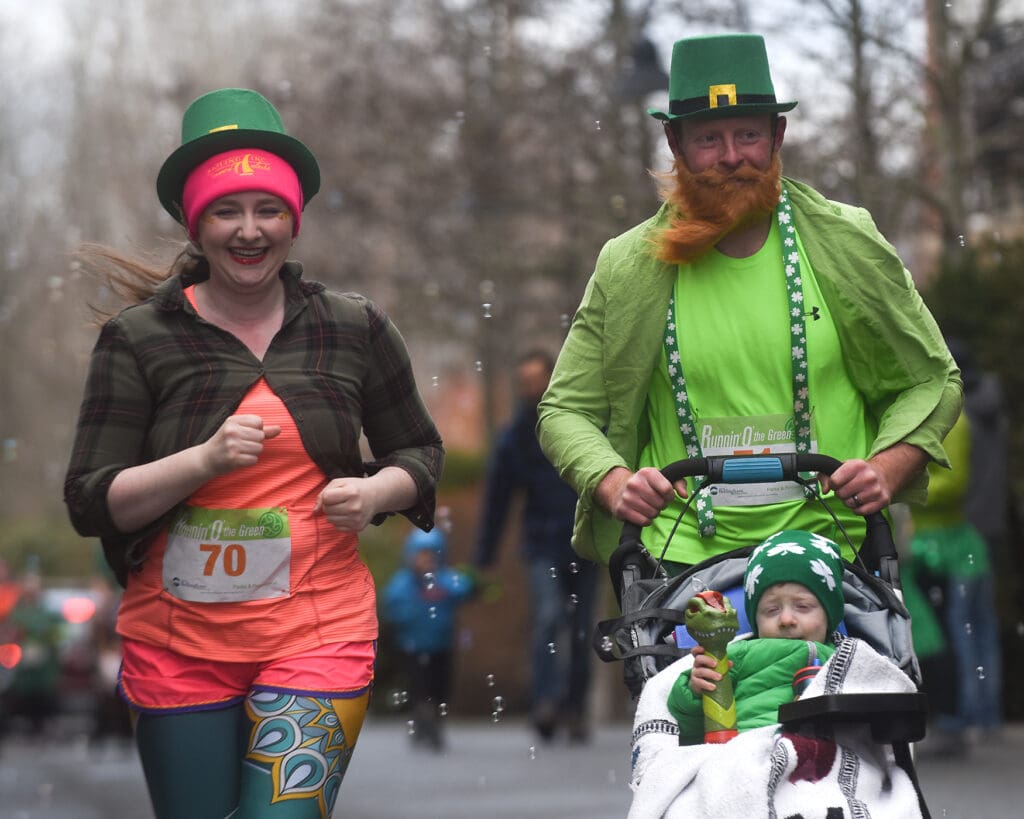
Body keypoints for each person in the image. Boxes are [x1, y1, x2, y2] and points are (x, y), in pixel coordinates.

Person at [63, 88, 443, 819]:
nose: (249, 231)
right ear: (194, 222)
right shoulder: (141, 338)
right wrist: (201, 461)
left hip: (318, 630)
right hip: (177, 642)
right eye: (225, 211)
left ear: (293, 221)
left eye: (268, 210)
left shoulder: (351, 327)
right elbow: (91, 499)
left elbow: (419, 452)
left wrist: (373, 494)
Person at [537, 33, 962, 573]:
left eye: (747, 134)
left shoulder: (847, 241)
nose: (732, 157)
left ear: (777, 135)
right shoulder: (627, 265)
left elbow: (933, 379)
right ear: (675, 142)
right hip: (682, 567)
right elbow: (564, 410)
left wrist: (888, 466)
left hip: (833, 559)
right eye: (709, 138)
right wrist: (611, 481)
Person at [474, 349, 598, 742]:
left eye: (536, 381)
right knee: (547, 618)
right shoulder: (515, 438)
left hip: (586, 543)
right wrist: (484, 557)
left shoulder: (583, 424)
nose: (531, 389)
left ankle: (575, 708)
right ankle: (545, 702)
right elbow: (498, 499)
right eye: (524, 383)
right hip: (541, 544)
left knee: (582, 628)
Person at [667, 529, 844, 744]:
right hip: (748, 748)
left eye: (802, 606)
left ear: (829, 614)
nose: (786, 619)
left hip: (825, 752)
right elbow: (690, 731)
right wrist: (695, 692)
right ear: (755, 619)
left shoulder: (850, 657)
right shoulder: (737, 654)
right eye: (772, 610)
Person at [382, 526, 476, 752]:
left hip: (442, 646)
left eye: (432, 555)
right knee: (420, 687)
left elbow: (464, 588)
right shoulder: (403, 583)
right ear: (410, 556)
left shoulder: (445, 580)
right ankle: (424, 720)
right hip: (413, 648)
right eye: (421, 555)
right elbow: (390, 605)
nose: (427, 561)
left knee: (441, 687)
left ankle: (434, 721)